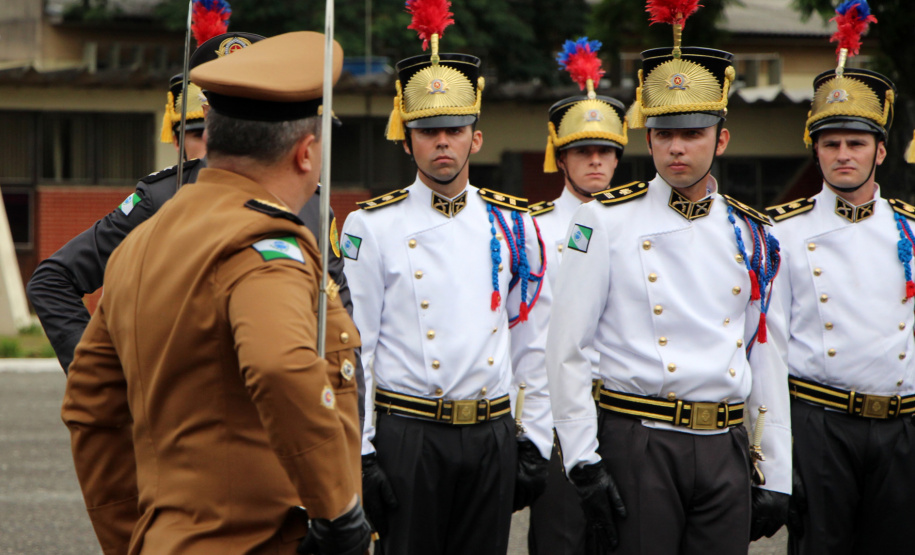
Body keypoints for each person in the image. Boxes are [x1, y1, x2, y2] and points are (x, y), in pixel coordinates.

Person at [61, 31, 370, 555]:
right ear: (306, 151)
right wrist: (338, 514)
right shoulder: (264, 242)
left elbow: (90, 406)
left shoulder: (143, 243)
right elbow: (280, 368)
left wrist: (132, 535)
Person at [545, 5, 791, 553]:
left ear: (721, 140)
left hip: (725, 445)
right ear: (647, 139)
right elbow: (567, 348)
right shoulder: (605, 220)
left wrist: (775, 471)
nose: (676, 147)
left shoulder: (754, 232)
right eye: (662, 134)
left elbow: (766, 353)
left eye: (692, 133)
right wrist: (584, 460)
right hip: (640, 440)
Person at [26, 31, 362, 423]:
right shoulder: (159, 198)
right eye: (197, 132)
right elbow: (53, 280)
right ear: (177, 136)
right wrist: (108, 385)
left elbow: (339, 323)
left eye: (216, 130)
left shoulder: (313, 205)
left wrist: (344, 424)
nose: (210, 144)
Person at [340, 3, 552, 553]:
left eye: (454, 130)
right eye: (428, 130)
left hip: (491, 434)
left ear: (475, 139)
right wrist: (361, 452)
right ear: (407, 138)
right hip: (409, 434)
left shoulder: (514, 222)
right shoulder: (371, 225)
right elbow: (355, 347)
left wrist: (535, 437)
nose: (442, 142)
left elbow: (532, 338)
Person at [766, 3, 914, 552]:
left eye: (856, 143)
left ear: (880, 150)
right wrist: (779, 458)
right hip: (820, 424)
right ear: (816, 150)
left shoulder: (911, 231)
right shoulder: (782, 232)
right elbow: (770, 348)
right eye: (831, 144)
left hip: (902, 428)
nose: (843, 155)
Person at [527, 37, 627, 555]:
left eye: (605, 151)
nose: (595, 162)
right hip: (556, 420)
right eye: (582, 152)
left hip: (626, 416)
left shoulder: (634, 226)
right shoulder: (530, 229)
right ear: (560, 158)